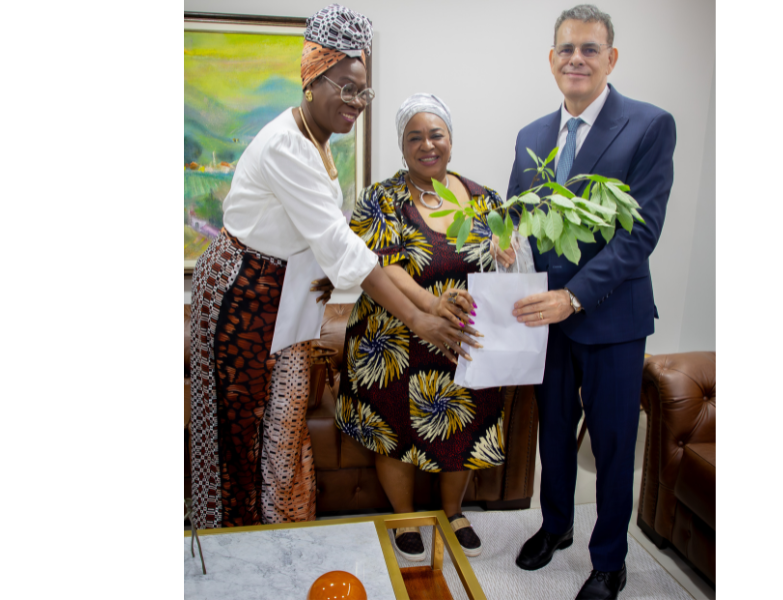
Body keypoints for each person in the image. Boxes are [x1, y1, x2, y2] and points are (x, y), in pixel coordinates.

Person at [190, 5, 477, 530]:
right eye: (345, 88)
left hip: (287, 295)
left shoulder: (319, 143)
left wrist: (429, 303)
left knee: (285, 430)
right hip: (241, 294)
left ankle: (284, 536)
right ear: (310, 79)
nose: (355, 102)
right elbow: (342, 247)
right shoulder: (285, 145)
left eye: (363, 92)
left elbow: (341, 245)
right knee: (241, 435)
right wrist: (420, 319)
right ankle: (239, 549)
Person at [502, 6, 676, 599]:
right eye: (567, 49)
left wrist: (572, 298)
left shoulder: (649, 126)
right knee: (552, 434)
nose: (576, 59)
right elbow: (517, 218)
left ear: (611, 58)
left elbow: (640, 235)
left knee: (612, 444)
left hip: (612, 319)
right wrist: (504, 243)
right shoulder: (531, 135)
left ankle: (610, 560)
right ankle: (556, 527)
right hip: (544, 323)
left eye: (590, 49)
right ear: (552, 59)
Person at [336, 93, 506, 561]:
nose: (427, 145)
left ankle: (453, 512)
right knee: (392, 431)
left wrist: (510, 254)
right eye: (414, 137)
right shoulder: (381, 198)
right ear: (402, 145)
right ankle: (406, 516)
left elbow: (503, 267)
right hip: (392, 339)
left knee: (464, 425)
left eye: (436, 135)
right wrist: (431, 305)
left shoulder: (486, 200)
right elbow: (381, 266)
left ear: (450, 139)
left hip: (462, 341)